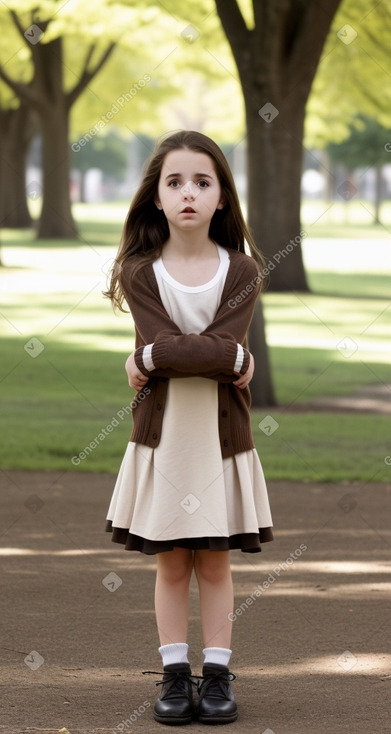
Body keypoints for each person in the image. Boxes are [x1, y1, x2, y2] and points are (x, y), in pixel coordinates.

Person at [104, 130, 273, 726]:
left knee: (217, 562)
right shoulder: (140, 272)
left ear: (222, 197)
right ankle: (176, 675)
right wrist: (212, 359)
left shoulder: (243, 270)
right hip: (164, 439)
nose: (188, 194)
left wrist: (150, 360)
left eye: (203, 182)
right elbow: (203, 353)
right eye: (174, 182)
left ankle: (219, 673)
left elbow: (208, 351)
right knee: (172, 561)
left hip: (222, 441)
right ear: (156, 195)